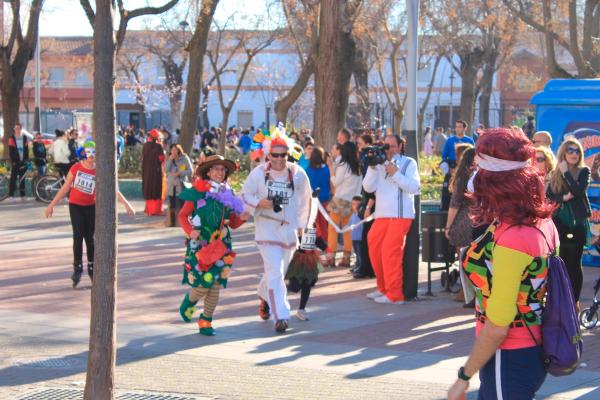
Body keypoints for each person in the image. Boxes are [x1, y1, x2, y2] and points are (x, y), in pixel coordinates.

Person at [448, 127, 557, 400]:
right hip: (532, 348)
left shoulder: (512, 239)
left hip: (510, 355)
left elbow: (498, 326)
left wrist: (463, 377)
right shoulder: (541, 222)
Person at [241, 132, 311, 333]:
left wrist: (303, 227)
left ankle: (264, 294)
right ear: (268, 155)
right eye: (275, 155)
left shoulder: (297, 173)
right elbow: (244, 195)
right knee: (276, 272)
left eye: (283, 155)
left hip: (288, 232)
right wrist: (259, 203)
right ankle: (281, 315)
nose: (279, 159)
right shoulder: (257, 173)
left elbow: (306, 201)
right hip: (266, 230)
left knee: (276, 273)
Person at [44, 141, 135, 288]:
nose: (91, 157)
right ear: (82, 154)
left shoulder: (99, 170)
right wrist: (51, 206)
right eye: (88, 154)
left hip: (91, 207)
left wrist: (126, 204)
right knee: (78, 236)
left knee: (91, 238)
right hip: (75, 206)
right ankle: (77, 267)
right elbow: (65, 188)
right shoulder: (76, 168)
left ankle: (92, 267)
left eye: (93, 154)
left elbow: (114, 189)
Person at [177, 155, 246, 336]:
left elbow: (234, 223)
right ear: (208, 172)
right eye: (215, 168)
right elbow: (183, 215)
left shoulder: (228, 194)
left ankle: (206, 321)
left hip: (221, 243)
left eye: (222, 169)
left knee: (215, 284)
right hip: (200, 243)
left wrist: (244, 217)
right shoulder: (197, 191)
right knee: (202, 283)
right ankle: (188, 304)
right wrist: (190, 231)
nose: (219, 172)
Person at [363, 135, 420, 304]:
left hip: (400, 215)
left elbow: (414, 187)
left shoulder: (409, 162)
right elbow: (368, 187)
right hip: (381, 214)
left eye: (393, 146)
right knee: (374, 249)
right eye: (387, 146)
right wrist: (373, 167)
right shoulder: (378, 164)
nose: (389, 149)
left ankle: (395, 295)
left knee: (390, 252)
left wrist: (394, 173)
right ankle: (383, 288)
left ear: (401, 146)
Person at [547, 138, 590, 303]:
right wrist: (563, 197)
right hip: (559, 223)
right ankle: (561, 301)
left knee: (575, 264)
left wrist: (566, 173)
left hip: (577, 223)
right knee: (561, 262)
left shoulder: (583, 171)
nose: (574, 154)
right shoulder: (555, 173)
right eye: (570, 151)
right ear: (563, 153)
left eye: (577, 151)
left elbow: (578, 192)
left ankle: (574, 302)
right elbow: (550, 196)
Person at [325, 141, 362, 268]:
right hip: (353, 201)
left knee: (333, 228)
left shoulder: (344, 166)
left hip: (340, 199)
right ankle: (347, 258)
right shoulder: (358, 166)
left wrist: (331, 168)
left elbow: (335, 182)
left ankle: (331, 258)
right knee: (348, 230)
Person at [445, 147, 476, 250]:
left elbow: (454, 205)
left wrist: (448, 227)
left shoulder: (462, 177)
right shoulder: (483, 176)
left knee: (463, 261)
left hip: (463, 223)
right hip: (481, 223)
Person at [354, 133, 376, 279]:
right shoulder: (365, 159)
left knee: (367, 236)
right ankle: (365, 267)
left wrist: (368, 206)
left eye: (360, 143)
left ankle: (366, 268)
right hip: (366, 199)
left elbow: (373, 187)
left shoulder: (371, 161)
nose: (358, 146)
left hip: (371, 202)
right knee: (365, 236)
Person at [304, 146, 331, 244]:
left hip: (312, 201)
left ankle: (311, 244)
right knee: (323, 224)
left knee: (312, 223)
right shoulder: (327, 169)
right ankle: (324, 243)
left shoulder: (308, 170)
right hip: (324, 200)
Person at [165, 144, 193, 227]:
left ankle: (184, 222)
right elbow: (165, 170)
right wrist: (170, 160)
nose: (173, 152)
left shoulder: (184, 158)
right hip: (171, 185)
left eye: (175, 150)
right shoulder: (170, 159)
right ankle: (172, 223)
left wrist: (180, 173)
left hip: (181, 185)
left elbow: (190, 171)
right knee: (172, 205)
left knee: (183, 204)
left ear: (179, 150)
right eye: (172, 150)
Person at [142, 129, 166, 216]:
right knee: (156, 188)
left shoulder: (145, 146)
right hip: (156, 172)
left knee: (148, 188)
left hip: (146, 172)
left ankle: (148, 210)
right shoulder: (159, 147)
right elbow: (161, 159)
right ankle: (156, 210)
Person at [8, 122, 29, 199]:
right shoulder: (11, 138)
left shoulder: (24, 138)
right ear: (14, 129)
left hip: (23, 161)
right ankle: (11, 194)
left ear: (21, 129)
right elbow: (11, 151)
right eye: (15, 128)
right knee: (13, 178)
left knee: (22, 178)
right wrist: (13, 161)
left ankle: (22, 195)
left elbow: (26, 150)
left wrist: (26, 160)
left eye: (18, 128)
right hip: (15, 162)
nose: (17, 130)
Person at [350, 196, 364, 275]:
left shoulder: (361, 215)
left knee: (360, 254)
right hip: (354, 238)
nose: (355, 206)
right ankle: (357, 265)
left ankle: (360, 267)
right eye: (353, 204)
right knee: (356, 253)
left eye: (357, 204)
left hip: (360, 238)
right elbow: (350, 224)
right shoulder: (353, 215)